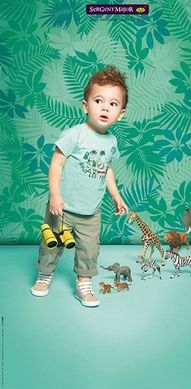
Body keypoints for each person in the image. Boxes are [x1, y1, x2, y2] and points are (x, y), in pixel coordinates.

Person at [31, 65, 129, 307]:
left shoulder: (111, 141)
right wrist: (55, 194)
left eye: (113, 104)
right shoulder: (75, 134)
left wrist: (116, 195)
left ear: (121, 113)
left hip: (91, 212)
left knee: (89, 249)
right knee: (51, 243)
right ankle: (45, 275)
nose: (105, 107)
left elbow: (107, 169)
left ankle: (84, 283)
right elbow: (56, 164)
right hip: (62, 208)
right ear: (86, 106)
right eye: (99, 101)